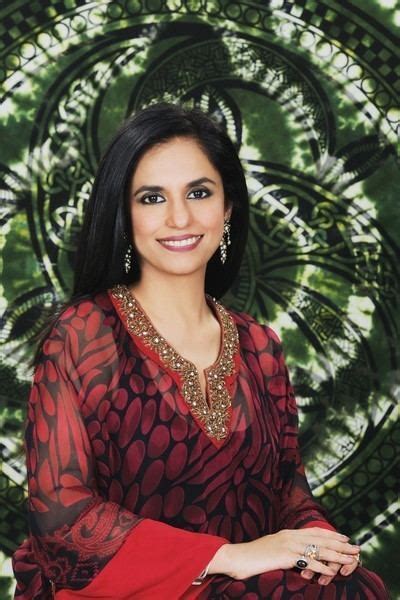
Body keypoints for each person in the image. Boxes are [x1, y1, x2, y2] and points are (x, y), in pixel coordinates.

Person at [13, 103, 388, 599]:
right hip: (123, 590)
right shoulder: (85, 335)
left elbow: (287, 494)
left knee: (347, 585)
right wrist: (227, 557)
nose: (180, 217)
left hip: (251, 588)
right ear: (123, 214)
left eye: (199, 192)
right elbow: (61, 516)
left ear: (227, 207)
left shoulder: (260, 347)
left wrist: (319, 543)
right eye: (152, 198)